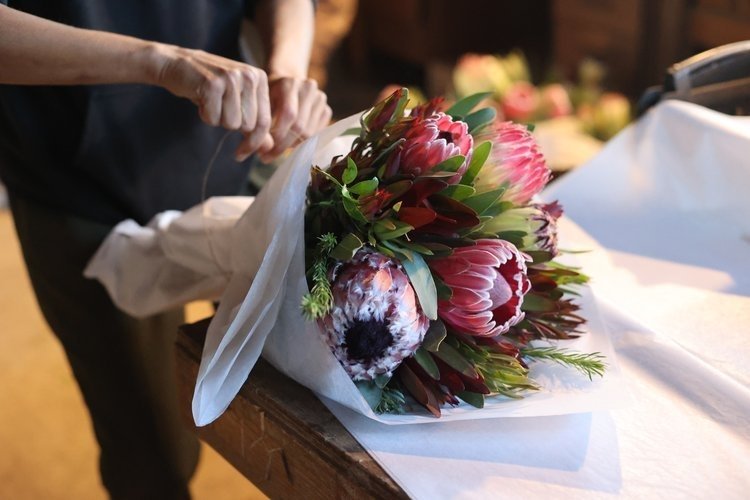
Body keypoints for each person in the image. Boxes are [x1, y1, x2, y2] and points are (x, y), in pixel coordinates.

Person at [0, 1, 331, 498]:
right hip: (79, 183)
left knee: (309, 404)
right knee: (153, 448)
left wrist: (286, 68)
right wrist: (160, 62)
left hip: (231, 145)